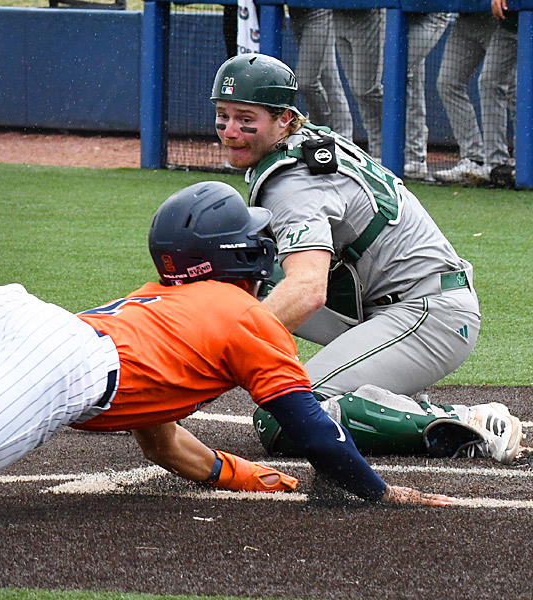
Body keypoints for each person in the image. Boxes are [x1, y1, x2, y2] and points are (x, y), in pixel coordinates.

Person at [0, 86, 452, 507]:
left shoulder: (165, 300)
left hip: (24, 321)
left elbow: (162, 437)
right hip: (67, 364)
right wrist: (377, 490)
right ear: (237, 257)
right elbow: (312, 428)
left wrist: (238, 474)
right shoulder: (245, 318)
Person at [210, 54, 522, 463]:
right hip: (398, 304)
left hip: (428, 315)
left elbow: (307, 291)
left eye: (246, 119)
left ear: (284, 118)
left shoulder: (293, 185)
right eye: (222, 116)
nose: (231, 131)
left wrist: (219, 362)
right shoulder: (305, 142)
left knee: (285, 417)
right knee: (236, 274)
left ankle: (471, 421)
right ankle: (385, 389)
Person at [433, 9, 517, 184]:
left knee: (504, 86)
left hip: (496, 19)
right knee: (448, 83)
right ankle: (474, 159)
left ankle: (505, 163)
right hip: (466, 17)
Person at [289, 7, 353, 139]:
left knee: (306, 81)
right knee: (329, 78)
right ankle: (341, 137)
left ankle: (324, 133)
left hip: (318, 10)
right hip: (296, 13)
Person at [403, 12, 452, 181]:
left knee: (398, 71)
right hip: (405, 16)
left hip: (432, 12)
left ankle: (415, 156)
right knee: (409, 78)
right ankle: (414, 156)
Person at [332, 9, 384, 160]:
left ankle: (402, 133)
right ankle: (377, 151)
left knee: (366, 90)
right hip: (338, 16)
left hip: (365, 15)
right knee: (358, 91)